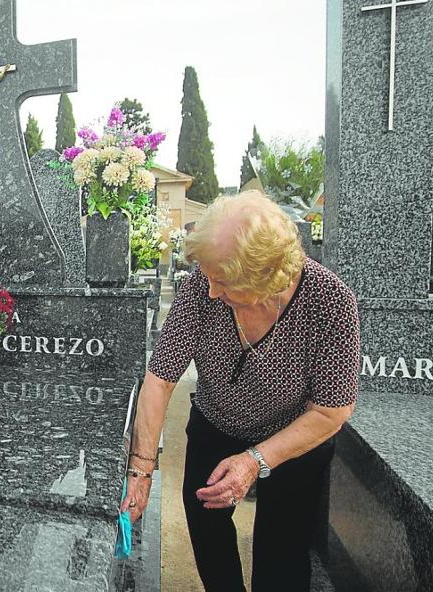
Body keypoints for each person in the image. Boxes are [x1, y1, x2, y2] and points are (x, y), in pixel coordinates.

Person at [121, 191, 359, 591]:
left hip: (293, 440)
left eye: (224, 282)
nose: (212, 291)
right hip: (216, 422)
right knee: (205, 527)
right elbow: (160, 379)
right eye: (209, 277)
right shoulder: (202, 288)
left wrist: (254, 461)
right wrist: (141, 470)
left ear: (265, 277)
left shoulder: (329, 301)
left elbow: (332, 410)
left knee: (281, 559)